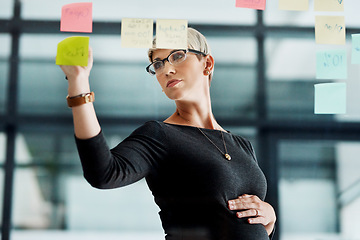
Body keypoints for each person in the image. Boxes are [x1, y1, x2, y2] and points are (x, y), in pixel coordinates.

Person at [59, 27, 276, 240]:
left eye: (178, 56)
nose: (166, 70)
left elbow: (243, 225)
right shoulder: (160, 135)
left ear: (207, 63)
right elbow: (103, 173)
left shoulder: (242, 144)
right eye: (158, 64)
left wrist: (270, 219)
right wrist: (79, 84)